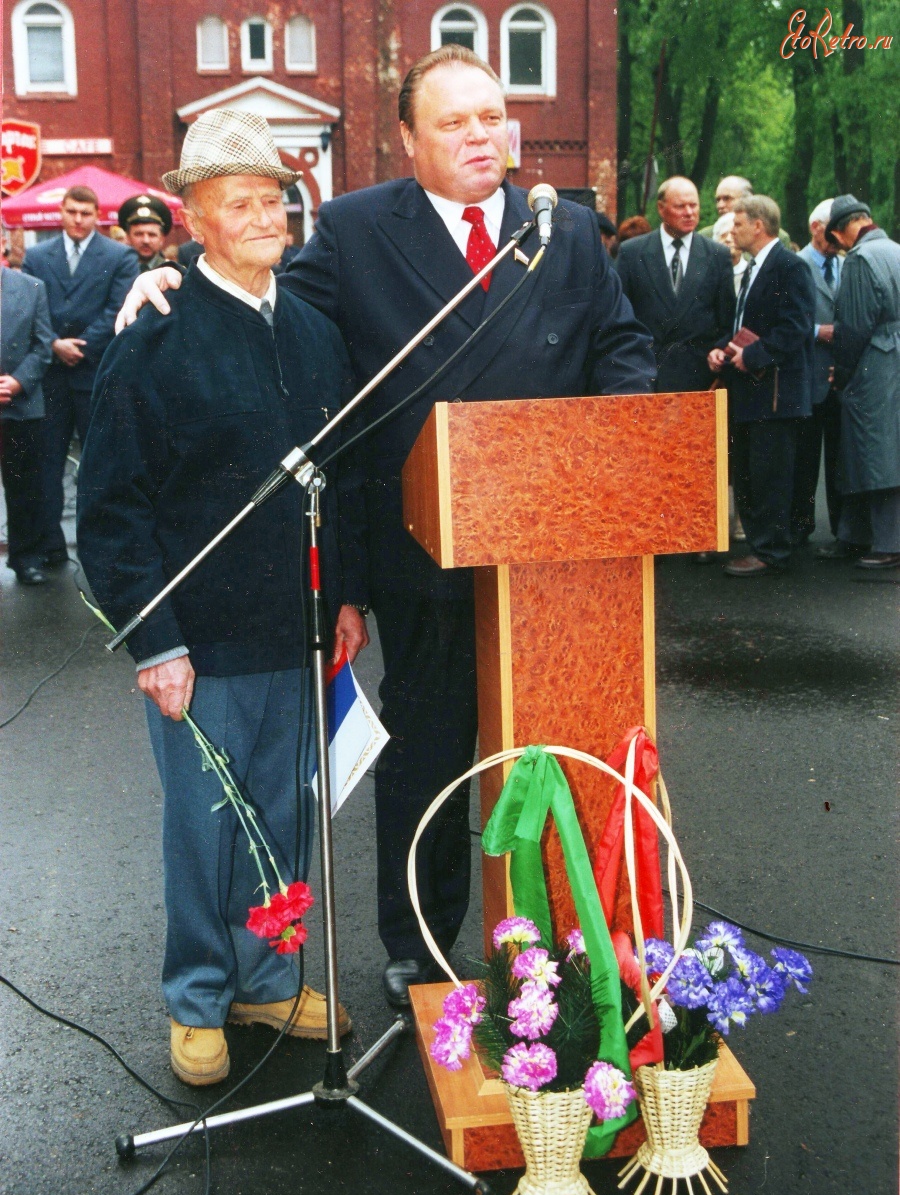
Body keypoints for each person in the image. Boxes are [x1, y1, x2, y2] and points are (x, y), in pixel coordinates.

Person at [116, 45, 656, 1009]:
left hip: (560, 561)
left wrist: (617, 442)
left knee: (559, 753)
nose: (481, 136)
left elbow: (619, 348)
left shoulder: (563, 230)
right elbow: (264, 301)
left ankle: (577, 944)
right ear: (408, 141)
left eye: (492, 117)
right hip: (423, 554)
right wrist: (163, 286)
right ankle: (418, 943)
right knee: (430, 751)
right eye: (454, 123)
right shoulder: (361, 229)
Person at [76, 109, 369, 1085]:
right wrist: (153, 640)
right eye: (238, 202)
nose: (263, 216)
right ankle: (198, 992)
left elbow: (346, 475)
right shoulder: (153, 334)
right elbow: (111, 507)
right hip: (198, 642)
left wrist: (348, 598)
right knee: (206, 822)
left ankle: (268, 977)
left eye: (273, 198)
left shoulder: (317, 330)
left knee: (284, 816)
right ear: (196, 221)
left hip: (298, 628)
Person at [22, 186, 139, 569]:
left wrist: (81, 345)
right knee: (46, 465)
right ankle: (49, 547)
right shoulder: (38, 256)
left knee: (101, 463)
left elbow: (119, 308)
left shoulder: (119, 255)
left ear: (97, 215)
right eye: (71, 211)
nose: (78, 219)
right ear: (61, 211)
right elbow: (30, 308)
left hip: (96, 374)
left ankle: (100, 548)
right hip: (51, 377)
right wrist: (54, 343)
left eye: (85, 213)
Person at [708, 194, 815, 576]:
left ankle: (771, 551)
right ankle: (762, 545)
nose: (731, 230)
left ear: (758, 225)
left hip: (774, 395)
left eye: (737, 223)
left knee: (770, 475)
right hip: (751, 392)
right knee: (753, 472)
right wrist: (723, 348)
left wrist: (751, 356)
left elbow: (796, 327)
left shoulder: (789, 267)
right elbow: (745, 322)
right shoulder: (755, 268)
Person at [826, 195, 900, 568]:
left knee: (872, 451)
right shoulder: (896, 250)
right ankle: (853, 535)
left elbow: (853, 328)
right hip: (895, 358)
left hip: (874, 362)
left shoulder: (859, 259)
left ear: (842, 232)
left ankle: (886, 542)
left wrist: (840, 374)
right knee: (882, 448)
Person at [617, 177, 735, 393]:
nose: (689, 212)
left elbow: (727, 320)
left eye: (694, 205)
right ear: (661, 209)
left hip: (700, 379)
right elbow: (621, 318)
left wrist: (719, 352)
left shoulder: (717, 256)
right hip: (646, 376)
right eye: (681, 206)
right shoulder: (632, 253)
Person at [0, 266, 55, 584]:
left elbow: (42, 343)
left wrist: (18, 382)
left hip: (20, 404)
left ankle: (26, 558)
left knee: (25, 488)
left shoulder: (32, 286)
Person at [795, 199, 843, 547]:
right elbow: (785, 320)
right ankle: (800, 526)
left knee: (842, 459)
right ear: (816, 227)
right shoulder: (796, 266)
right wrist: (816, 331)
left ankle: (844, 529)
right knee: (805, 458)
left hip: (840, 379)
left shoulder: (848, 264)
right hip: (808, 376)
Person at [118, 194, 183, 274]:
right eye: (139, 234)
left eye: (152, 235)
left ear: (162, 238)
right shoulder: (117, 272)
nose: (146, 240)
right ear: (128, 237)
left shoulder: (174, 272)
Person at [712, 211, 748, 296]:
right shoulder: (708, 273)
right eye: (723, 235)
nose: (728, 239)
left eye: (733, 235)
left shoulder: (751, 272)